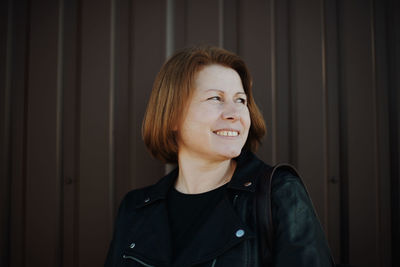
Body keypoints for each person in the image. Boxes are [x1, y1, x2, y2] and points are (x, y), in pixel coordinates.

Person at [105, 46, 334, 266]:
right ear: (172, 114)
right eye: (216, 98)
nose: (235, 114)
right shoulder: (135, 208)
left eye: (241, 100)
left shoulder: (279, 193)